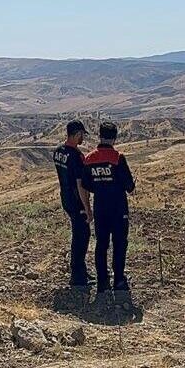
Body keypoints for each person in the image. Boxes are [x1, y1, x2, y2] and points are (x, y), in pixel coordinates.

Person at [81, 122, 136, 296]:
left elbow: (86, 184)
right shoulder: (118, 157)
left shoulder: (89, 158)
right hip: (119, 209)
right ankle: (119, 279)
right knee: (120, 244)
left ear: (100, 136)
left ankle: (102, 282)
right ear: (114, 138)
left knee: (101, 245)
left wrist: (100, 187)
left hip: (100, 209)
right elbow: (129, 186)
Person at [53, 120, 92, 286]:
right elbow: (80, 184)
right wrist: (88, 209)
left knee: (79, 234)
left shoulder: (58, 152)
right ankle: (78, 276)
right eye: (82, 135)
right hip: (76, 202)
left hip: (66, 199)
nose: (83, 138)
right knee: (81, 236)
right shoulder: (77, 156)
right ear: (77, 134)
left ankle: (80, 271)